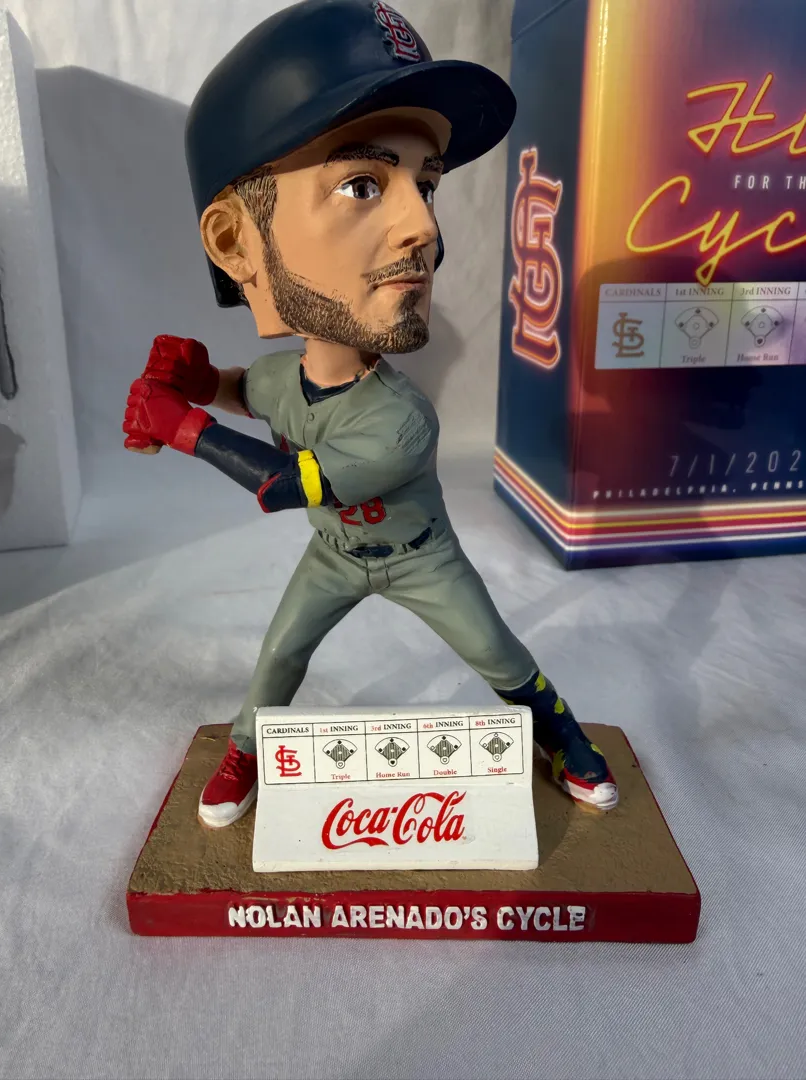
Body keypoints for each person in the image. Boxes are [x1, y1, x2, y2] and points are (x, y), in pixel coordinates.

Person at [122, 0, 618, 828]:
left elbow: (283, 485)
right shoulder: (287, 377)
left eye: (427, 184)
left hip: (421, 558)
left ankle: (561, 737)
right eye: (362, 184)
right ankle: (245, 749)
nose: (424, 227)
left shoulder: (402, 422)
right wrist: (198, 377)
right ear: (236, 243)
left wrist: (179, 425)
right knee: (280, 654)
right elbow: (252, 390)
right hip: (336, 556)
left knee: (497, 653)